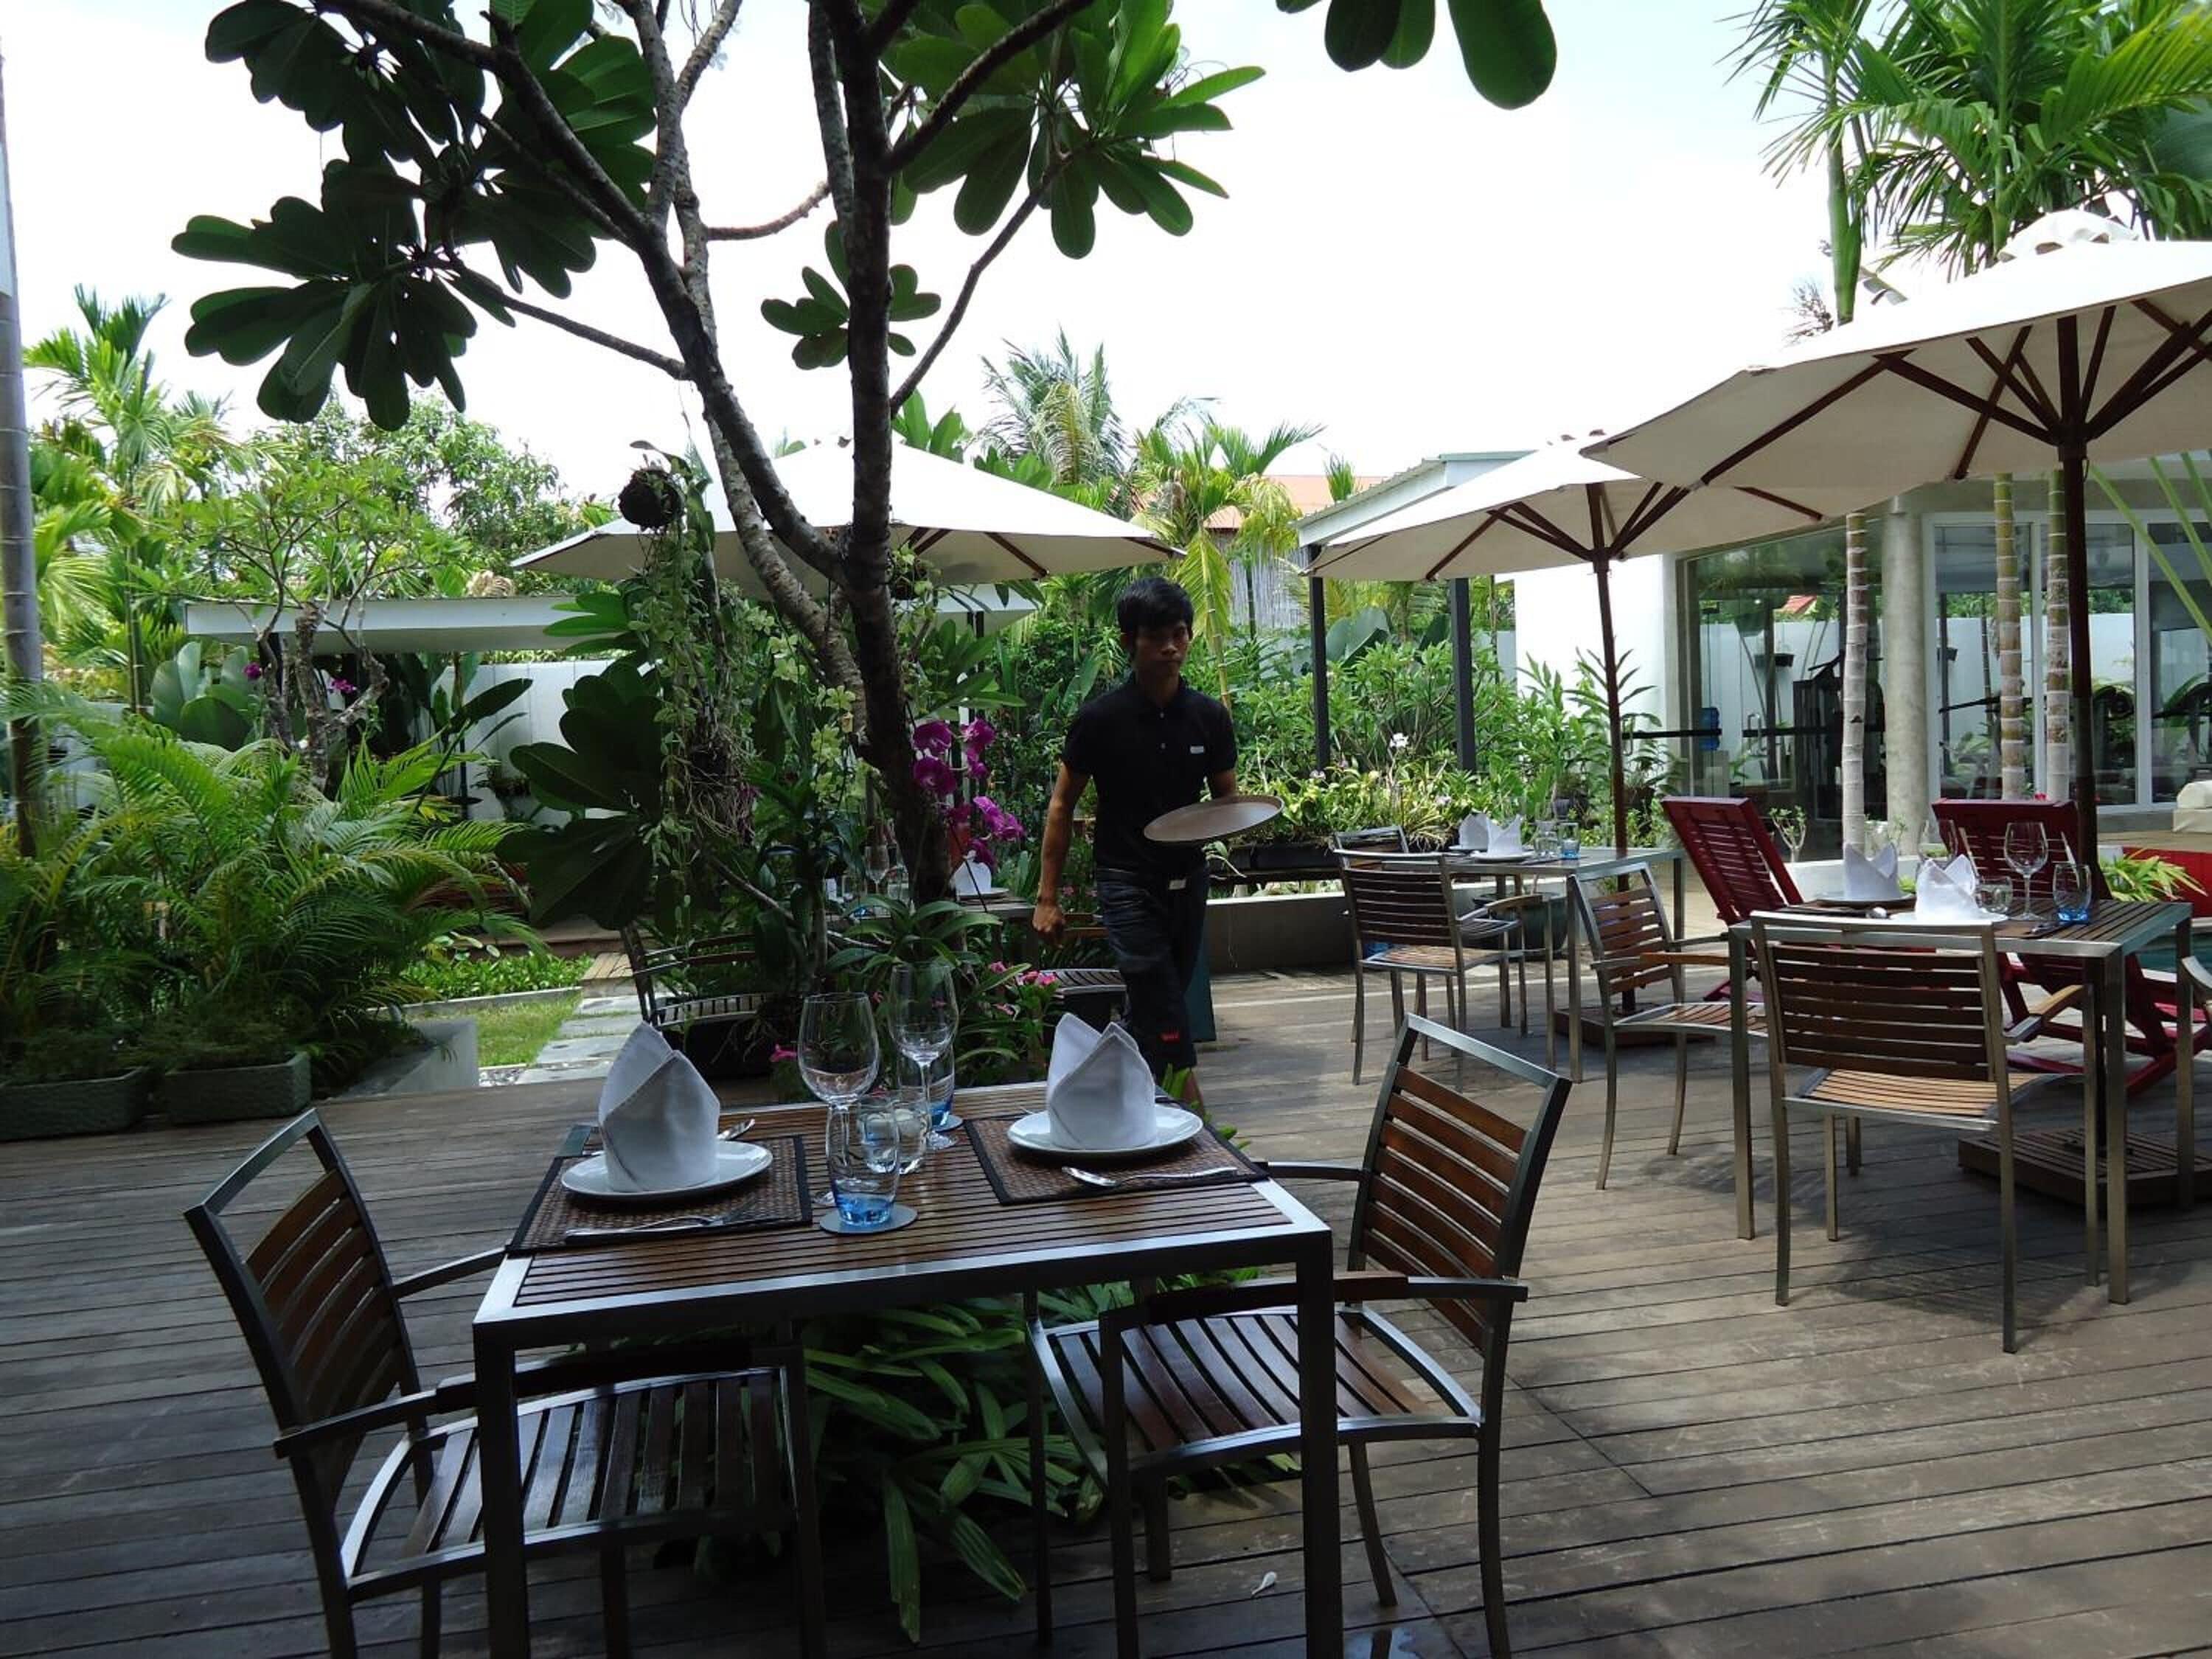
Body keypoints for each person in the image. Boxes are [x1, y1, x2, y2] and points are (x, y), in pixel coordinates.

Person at [1032, 577, 1237, 1101]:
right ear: (1130, 641)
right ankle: (1197, 1123)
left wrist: (1237, 830)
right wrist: (1047, 898)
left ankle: (1101, 1100)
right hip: (1125, 880)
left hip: (1187, 879)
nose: (1170, 647)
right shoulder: (1101, 720)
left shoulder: (1209, 717)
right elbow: (1062, 805)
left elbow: (1227, 803)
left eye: (1179, 634)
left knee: (1153, 1006)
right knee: (1164, 1006)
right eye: (1156, 636)